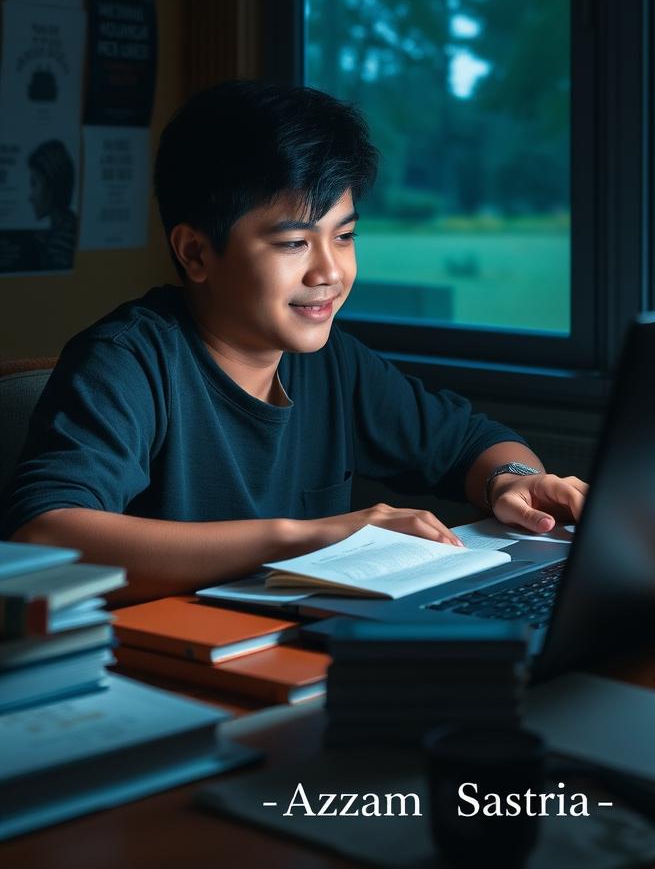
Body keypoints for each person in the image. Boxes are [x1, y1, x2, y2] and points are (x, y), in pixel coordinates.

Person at [1, 82, 587, 598]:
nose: (329, 272)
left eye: (346, 235)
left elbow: (473, 442)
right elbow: (46, 534)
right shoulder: (127, 360)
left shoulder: (332, 362)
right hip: (154, 673)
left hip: (295, 657)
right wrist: (311, 538)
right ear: (196, 252)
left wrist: (511, 480)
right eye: (292, 244)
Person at [27, 139, 78, 271]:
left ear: (51, 189)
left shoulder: (60, 248)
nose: (30, 197)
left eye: (34, 184)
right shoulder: (65, 229)